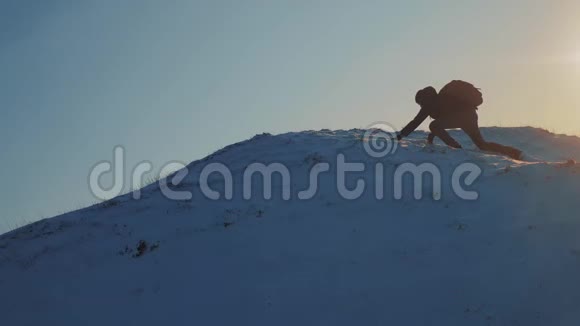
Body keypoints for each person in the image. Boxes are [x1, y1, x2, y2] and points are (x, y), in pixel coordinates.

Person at [397, 83, 523, 160]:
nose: (420, 106)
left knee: (433, 124)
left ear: (422, 99)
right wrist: (432, 136)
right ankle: (515, 152)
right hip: (470, 115)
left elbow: (417, 121)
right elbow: (443, 118)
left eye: (419, 103)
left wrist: (401, 135)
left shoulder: (429, 103)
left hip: (462, 117)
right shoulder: (439, 99)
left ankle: (456, 148)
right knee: (482, 144)